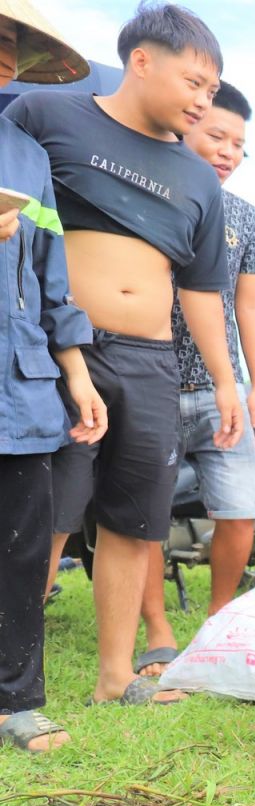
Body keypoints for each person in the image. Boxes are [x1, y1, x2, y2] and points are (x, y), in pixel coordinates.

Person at [12, 2, 244, 707]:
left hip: (150, 360)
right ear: (142, 61)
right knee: (40, 511)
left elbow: (203, 292)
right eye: (196, 82)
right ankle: (17, 678)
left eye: (213, 88)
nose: (205, 101)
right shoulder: (46, 117)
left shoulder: (198, 178)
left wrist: (229, 384)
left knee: (132, 517)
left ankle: (115, 678)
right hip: (57, 347)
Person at [135, 80, 255, 678]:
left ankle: (218, 623)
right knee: (143, 515)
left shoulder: (246, 217)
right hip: (150, 380)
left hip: (225, 391)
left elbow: (251, 306)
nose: (227, 152)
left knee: (240, 510)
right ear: (183, 125)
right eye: (216, 136)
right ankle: (158, 631)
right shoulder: (144, 196)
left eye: (238, 144)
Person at [0, 0, 104, 753]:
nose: (7, 54)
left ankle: (16, 700)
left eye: (15, 43)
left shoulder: (26, 157)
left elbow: (49, 281)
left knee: (22, 547)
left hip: (21, 386)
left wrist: (77, 373)